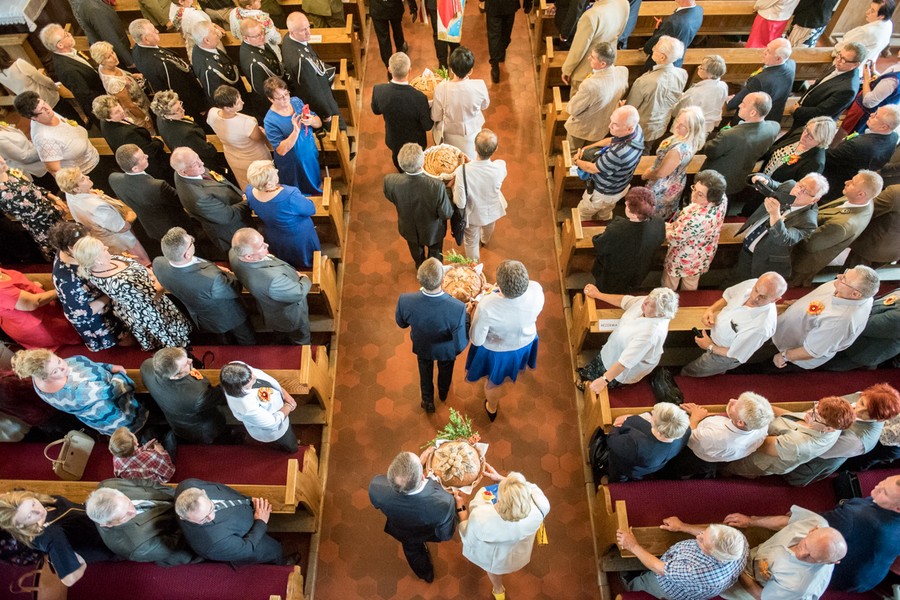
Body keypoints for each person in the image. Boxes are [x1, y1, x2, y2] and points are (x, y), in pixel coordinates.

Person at [72, 235, 193, 352]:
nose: (107, 248)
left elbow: (135, 265)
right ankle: (182, 351)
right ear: (97, 259)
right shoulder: (118, 282)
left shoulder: (99, 263)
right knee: (170, 334)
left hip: (146, 293)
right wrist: (164, 278)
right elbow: (156, 294)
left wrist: (150, 273)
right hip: (149, 310)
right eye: (103, 249)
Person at [465, 260, 544, 421]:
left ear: (501, 285)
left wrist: (482, 304)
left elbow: (477, 340)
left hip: (497, 351)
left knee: (494, 382)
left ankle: (492, 407)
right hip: (526, 341)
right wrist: (495, 290)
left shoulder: (487, 305)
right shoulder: (536, 289)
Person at [457, 468, 550, 600]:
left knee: (494, 571)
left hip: (496, 558)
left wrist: (461, 509)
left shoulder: (481, 515)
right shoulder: (542, 506)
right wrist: (504, 480)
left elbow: (467, 538)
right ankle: (540, 532)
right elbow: (530, 487)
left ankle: (498, 589)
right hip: (519, 549)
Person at [153, 227, 256, 345]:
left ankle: (226, 344)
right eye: (191, 241)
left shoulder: (158, 263)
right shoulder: (212, 280)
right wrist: (228, 274)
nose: (193, 240)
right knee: (245, 337)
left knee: (221, 335)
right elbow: (234, 289)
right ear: (187, 254)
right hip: (228, 314)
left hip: (201, 314)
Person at [11, 348, 148, 436]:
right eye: (55, 371)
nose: (63, 367)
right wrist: (120, 373)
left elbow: (90, 365)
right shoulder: (77, 393)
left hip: (101, 397)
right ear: (43, 377)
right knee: (134, 425)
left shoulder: (39, 378)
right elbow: (114, 390)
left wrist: (109, 367)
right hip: (114, 410)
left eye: (58, 360)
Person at [721, 506, 848, 600]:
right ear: (813, 530)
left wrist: (737, 568)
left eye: (812, 557)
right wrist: (750, 521)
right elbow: (787, 521)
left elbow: (761, 596)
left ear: (832, 562)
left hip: (752, 582)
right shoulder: (817, 522)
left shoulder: (798, 588)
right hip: (756, 553)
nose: (801, 555)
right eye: (805, 546)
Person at [368, 450, 458, 582]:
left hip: (402, 531)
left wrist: (416, 468)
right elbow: (446, 534)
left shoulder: (376, 486)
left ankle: (426, 575)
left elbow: (377, 503)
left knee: (412, 552)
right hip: (428, 532)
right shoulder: (444, 502)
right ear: (423, 477)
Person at [784, 385, 900, 486]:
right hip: (809, 431)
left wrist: (805, 424)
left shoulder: (860, 440)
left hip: (815, 457)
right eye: (862, 403)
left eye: (867, 413)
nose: (858, 410)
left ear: (879, 420)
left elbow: (817, 450)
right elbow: (827, 406)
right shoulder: (860, 396)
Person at [769, 266, 880, 371]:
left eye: (844, 278)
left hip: (786, 346)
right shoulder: (846, 290)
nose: (839, 275)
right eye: (846, 272)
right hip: (784, 323)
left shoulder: (839, 322)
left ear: (855, 294)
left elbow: (811, 351)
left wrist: (784, 356)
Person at [395, 258, 468, 413]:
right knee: (445, 371)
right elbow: (460, 345)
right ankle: (442, 393)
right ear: (443, 280)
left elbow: (402, 324)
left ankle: (427, 401)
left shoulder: (405, 300)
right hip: (446, 350)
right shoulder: (458, 308)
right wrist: (466, 319)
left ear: (419, 279)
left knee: (424, 370)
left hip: (422, 346)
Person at [0, 491, 116, 587]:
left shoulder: (44, 503)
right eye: (30, 515)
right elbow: (69, 579)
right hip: (113, 540)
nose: (38, 511)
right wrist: (81, 564)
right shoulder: (46, 533)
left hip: (102, 516)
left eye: (33, 504)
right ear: (19, 525)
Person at [681, 273, 787, 377]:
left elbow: (736, 354)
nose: (755, 298)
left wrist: (709, 346)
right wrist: (711, 310)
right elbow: (729, 296)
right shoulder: (753, 283)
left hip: (721, 356)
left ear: (776, 299)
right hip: (713, 338)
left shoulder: (762, 327)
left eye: (763, 297)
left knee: (694, 370)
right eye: (756, 290)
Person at [728, 172, 828, 282]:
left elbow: (784, 239)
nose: (798, 191)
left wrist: (775, 214)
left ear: (814, 200)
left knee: (747, 286)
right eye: (800, 185)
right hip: (748, 243)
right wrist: (759, 179)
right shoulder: (790, 186)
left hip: (763, 260)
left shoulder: (808, 222)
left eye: (805, 191)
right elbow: (771, 183)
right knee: (733, 276)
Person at [577, 286, 679, 392]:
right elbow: (625, 301)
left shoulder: (650, 334)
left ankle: (587, 388)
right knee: (598, 364)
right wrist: (598, 294)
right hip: (614, 348)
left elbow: (624, 363)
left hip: (622, 368)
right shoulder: (650, 301)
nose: (644, 302)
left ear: (661, 314)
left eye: (650, 305)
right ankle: (585, 376)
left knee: (596, 384)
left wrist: (603, 380)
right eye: (647, 298)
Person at [724, 396, 855, 478]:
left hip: (760, 457)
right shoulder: (828, 422)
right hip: (771, 435)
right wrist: (763, 408)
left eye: (815, 416)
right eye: (815, 408)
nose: (809, 412)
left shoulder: (799, 444)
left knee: (735, 467)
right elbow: (790, 416)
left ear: (829, 429)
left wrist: (747, 421)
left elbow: (761, 445)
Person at [789, 171, 881, 287]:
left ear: (861, 194)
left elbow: (809, 244)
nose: (846, 182)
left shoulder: (843, 225)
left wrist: (790, 224)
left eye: (852, 183)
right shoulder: (861, 200)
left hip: (799, 262)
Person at [48, 221, 128, 352]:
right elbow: (84, 312)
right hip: (93, 313)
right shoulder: (68, 280)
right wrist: (109, 294)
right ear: (70, 249)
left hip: (99, 298)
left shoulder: (74, 251)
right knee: (122, 339)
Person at [618, 519, 747, 599]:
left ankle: (630, 585)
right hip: (674, 565)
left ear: (717, 558)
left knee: (643, 582)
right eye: (704, 532)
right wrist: (682, 526)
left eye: (703, 542)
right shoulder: (738, 541)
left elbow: (658, 569)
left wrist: (633, 546)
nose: (698, 537)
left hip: (666, 585)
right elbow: (712, 536)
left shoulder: (699, 573)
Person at [229, 228, 313, 345]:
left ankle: (281, 341)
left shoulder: (234, 253)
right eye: (262, 247)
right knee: (300, 337)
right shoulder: (272, 281)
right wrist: (305, 278)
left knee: (280, 332)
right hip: (288, 316)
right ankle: (304, 352)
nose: (267, 245)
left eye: (263, 242)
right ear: (249, 256)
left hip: (269, 308)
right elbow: (298, 292)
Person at [109, 145, 200, 252]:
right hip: (175, 225)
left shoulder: (114, 179)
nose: (147, 156)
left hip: (151, 228)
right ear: (135, 168)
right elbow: (180, 201)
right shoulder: (157, 186)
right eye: (143, 157)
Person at [663, 392, 775, 479]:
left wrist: (696, 417)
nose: (732, 400)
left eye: (735, 406)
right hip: (718, 456)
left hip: (694, 456)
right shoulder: (761, 424)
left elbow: (688, 436)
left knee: (673, 469)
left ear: (740, 422)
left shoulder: (715, 436)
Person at [55, 166, 150, 265]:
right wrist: (131, 216)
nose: (87, 177)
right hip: (120, 242)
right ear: (76, 189)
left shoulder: (70, 193)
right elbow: (122, 227)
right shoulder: (97, 208)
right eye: (82, 179)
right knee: (140, 262)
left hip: (100, 236)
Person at [821, 474, 900, 592]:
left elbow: (816, 523)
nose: (878, 486)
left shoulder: (855, 515)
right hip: (872, 577)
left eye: (885, 493)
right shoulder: (881, 508)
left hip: (840, 577)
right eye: (884, 481)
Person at [85, 479, 195, 565]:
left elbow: (146, 483)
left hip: (170, 500)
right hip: (180, 534)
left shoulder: (108, 485)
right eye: (125, 516)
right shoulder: (137, 547)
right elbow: (175, 543)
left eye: (128, 503)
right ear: (108, 524)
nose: (133, 511)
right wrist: (189, 514)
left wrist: (178, 496)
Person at [174, 479, 284, 564]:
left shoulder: (188, 484)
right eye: (203, 519)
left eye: (211, 508)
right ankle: (282, 563)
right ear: (183, 518)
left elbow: (221, 488)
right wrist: (260, 522)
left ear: (204, 493)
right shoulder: (213, 543)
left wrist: (247, 499)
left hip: (243, 513)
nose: (211, 518)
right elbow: (246, 549)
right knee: (274, 550)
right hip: (245, 539)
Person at [383, 143, 454, 267]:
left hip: (408, 228)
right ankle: (434, 271)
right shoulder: (437, 186)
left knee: (416, 252)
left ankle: (420, 266)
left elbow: (390, 197)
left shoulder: (389, 181)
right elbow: (446, 213)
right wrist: (448, 191)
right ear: (422, 164)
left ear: (401, 164)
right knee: (435, 253)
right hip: (433, 230)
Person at [171, 146, 252, 254]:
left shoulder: (187, 171)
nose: (202, 163)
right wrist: (248, 200)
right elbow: (228, 216)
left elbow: (221, 181)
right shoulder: (198, 198)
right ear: (184, 172)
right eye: (195, 164)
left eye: (198, 158)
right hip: (232, 231)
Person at [140, 347, 230, 444]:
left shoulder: (147, 366)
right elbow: (222, 395)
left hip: (176, 422)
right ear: (175, 375)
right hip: (202, 429)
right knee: (217, 440)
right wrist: (230, 376)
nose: (190, 360)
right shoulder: (198, 395)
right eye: (186, 364)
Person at [246, 159, 320, 270]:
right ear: (269, 183)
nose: (277, 171)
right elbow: (310, 209)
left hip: (274, 234)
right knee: (306, 258)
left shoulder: (250, 190)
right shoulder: (289, 195)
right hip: (297, 236)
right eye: (274, 172)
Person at [573, 105, 644, 221]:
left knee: (583, 213)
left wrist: (576, 160)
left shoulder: (618, 153)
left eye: (615, 124)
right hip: (620, 187)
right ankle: (603, 222)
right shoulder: (637, 130)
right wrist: (589, 147)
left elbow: (591, 168)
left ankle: (583, 233)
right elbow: (613, 141)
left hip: (603, 193)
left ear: (629, 129)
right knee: (606, 211)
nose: (609, 126)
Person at [701, 92, 780, 196]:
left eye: (743, 104)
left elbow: (710, 151)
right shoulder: (774, 127)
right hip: (738, 179)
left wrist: (719, 135)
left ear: (752, 113)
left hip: (716, 180)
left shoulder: (729, 135)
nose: (739, 105)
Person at [129, 19, 208, 123]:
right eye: (153, 30)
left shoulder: (137, 49)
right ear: (146, 39)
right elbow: (182, 88)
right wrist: (200, 106)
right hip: (188, 104)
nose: (157, 31)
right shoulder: (162, 64)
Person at [590, 187, 665, 293]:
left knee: (608, 289)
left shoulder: (617, 229)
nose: (625, 203)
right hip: (641, 269)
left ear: (634, 214)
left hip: (616, 271)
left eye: (627, 204)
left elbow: (600, 246)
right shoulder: (659, 223)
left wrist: (597, 237)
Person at [661, 169, 727, 290]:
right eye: (694, 189)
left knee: (670, 282)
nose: (694, 195)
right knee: (691, 282)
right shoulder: (722, 198)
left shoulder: (697, 219)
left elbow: (674, 238)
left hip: (683, 256)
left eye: (700, 194)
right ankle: (688, 300)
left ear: (712, 198)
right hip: (703, 250)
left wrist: (665, 227)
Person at [13, 92, 102, 181]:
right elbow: (55, 171)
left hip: (94, 156)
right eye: (42, 109)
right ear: (33, 118)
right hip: (86, 173)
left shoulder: (48, 114)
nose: (47, 108)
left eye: (44, 103)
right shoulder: (44, 139)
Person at [821, 106, 899, 201]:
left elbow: (827, 156)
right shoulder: (894, 136)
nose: (871, 114)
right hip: (859, 170)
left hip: (834, 180)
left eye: (876, 116)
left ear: (884, 127)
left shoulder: (859, 144)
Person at [451, 129, 507, 261]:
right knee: (489, 226)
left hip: (473, 214)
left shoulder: (462, 171)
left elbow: (460, 202)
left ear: (474, 147)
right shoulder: (500, 167)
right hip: (492, 210)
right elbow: (484, 172)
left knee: (470, 241)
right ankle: (485, 239)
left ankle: (474, 266)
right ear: (496, 148)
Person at [642, 106, 707, 220]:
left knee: (650, 213)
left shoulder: (678, 150)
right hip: (676, 178)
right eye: (678, 121)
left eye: (682, 125)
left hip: (662, 185)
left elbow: (661, 173)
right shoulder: (689, 138)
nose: (677, 126)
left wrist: (646, 174)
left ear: (692, 128)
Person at [263, 76, 324, 196]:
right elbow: (280, 150)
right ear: (271, 99)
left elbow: (318, 123)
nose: (285, 99)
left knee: (316, 183)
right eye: (280, 97)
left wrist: (312, 121)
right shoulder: (270, 121)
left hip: (309, 153)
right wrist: (295, 132)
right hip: (293, 164)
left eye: (286, 94)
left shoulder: (296, 101)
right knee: (300, 192)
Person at [372, 52, 433, 171]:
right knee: (418, 167)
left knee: (398, 163)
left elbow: (376, 110)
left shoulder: (379, 91)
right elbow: (427, 126)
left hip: (394, 140)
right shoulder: (419, 98)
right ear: (409, 70)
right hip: (416, 143)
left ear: (389, 69)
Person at [219, 361, 298, 452]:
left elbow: (265, 379)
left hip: (278, 402)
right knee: (288, 442)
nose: (255, 377)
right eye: (250, 380)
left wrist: (283, 393)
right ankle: (291, 450)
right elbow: (273, 422)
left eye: (251, 373)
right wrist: (288, 406)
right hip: (274, 427)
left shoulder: (235, 367)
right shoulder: (247, 407)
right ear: (241, 388)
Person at [0, 154, 67, 261]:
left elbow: (33, 187)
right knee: (57, 250)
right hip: (38, 224)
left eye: (1, 158)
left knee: (66, 239)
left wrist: (54, 198)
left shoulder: (10, 172)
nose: (3, 162)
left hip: (51, 211)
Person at [281, 12, 342, 128]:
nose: (308, 32)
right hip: (323, 96)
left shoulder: (289, 39)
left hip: (318, 80)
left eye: (308, 27)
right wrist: (326, 113)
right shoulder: (301, 61)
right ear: (291, 31)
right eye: (303, 30)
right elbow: (313, 91)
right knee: (337, 124)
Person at [787, 42, 865, 132]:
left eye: (844, 59)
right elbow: (818, 84)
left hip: (811, 123)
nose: (838, 60)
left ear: (855, 65)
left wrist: (798, 110)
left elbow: (822, 112)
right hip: (804, 111)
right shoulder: (840, 66)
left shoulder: (847, 89)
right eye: (839, 55)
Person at [206, 86, 272, 192]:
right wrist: (263, 132)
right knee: (265, 184)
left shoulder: (212, 113)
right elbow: (261, 139)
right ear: (227, 108)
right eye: (238, 102)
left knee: (246, 186)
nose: (242, 102)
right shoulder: (247, 122)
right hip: (254, 158)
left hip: (233, 157)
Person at [564, 43, 629, 149]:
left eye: (593, 57)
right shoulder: (623, 71)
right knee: (590, 153)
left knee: (573, 152)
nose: (589, 58)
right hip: (602, 127)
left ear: (603, 64)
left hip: (582, 128)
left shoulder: (590, 85)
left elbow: (573, 109)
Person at [626, 36, 687, 148]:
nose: (653, 48)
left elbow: (631, 107)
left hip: (641, 127)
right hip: (661, 124)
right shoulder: (682, 74)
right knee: (648, 147)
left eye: (656, 47)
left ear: (662, 57)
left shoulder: (644, 81)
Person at [37, 24, 103, 127]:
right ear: (60, 45)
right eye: (65, 35)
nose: (69, 34)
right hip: (100, 105)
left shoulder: (70, 52)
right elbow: (85, 95)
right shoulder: (67, 70)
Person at [93, 95, 171, 183]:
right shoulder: (127, 134)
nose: (122, 111)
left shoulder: (104, 122)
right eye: (116, 112)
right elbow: (149, 150)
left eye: (119, 107)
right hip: (154, 165)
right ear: (108, 118)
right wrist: (158, 141)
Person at [605, 403, 692, 481]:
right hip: (652, 466)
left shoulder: (635, 441)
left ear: (653, 423)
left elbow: (612, 440)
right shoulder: (686, 431)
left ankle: (617, 482)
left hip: (627, 467)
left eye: (653, 415)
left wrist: (615, 427)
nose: (652, 412)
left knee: (618, 475)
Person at [0, 268, 81, 350]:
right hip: (37, 323)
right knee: (76, 337)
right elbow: (32, 303)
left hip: (47, 309)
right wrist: (60, 290)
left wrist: (32, 287)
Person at [432, 47, 491, 159]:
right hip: (473, 133)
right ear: (470, 70)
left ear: (451, 69)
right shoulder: (480, 85)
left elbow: (435, 116)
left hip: (450, 135)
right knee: (471, 160)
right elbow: (485, 105)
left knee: (453, 161)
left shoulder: (440, 89)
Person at [152, 90, 226, 178]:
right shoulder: (187, 134)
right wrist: (209, 143)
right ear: (167, 115)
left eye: (180, 105)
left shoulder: (160, 119)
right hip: (204, 164)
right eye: (177, 110)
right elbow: (208, 151)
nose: (183, 110)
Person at [824, 287, 899, 371]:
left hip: (858, 349)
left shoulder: (898, 317)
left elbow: (862, 326)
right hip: (855, 326)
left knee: (820, 364)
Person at [559, 0, 628, 90]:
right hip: (608, 61)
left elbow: (579, 48)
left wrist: (567, 69)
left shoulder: (590, 16)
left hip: (588, 67)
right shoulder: (623, 3)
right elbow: (620, 32)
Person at [726, 38, 796, 124]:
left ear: (779, 59)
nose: (764, 52)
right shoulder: (791, 64)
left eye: (769, 51)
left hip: (752, 120)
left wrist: (730, 101)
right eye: (766, 48)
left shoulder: (760, 80)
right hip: (774, 114)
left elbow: (736, 102)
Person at [91, 41, 153, 133]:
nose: (114, 57)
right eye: (108, 57)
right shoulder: (114, 83)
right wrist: (146, 119)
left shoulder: (106, 66)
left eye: (112, 52)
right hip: (138, 113)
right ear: (101, 61)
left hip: (140, 100)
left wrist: (132, 76)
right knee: (149, 132)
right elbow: (130, 106)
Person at [758, 116, 834, 187]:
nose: (804, 135)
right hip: (762, 176)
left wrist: (769, 184)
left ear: (821, 141)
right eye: (807, 129)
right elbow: (775, 147)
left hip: (773, 189)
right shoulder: (799, 133)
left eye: (811, 136)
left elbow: (796, 187)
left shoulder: (815, 162)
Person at [238, 18, 285, 123]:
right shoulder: (253, 63)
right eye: (257, 35)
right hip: (271, 101)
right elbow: (263, 90)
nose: (263, 36)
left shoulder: (257, 43)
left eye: (262, 32)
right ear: (246, 38)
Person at [670, 54, 728, 134]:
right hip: (708, 127)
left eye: (701, 68)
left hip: (689, 128)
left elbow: (677, 111)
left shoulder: (695, 93)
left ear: (709, 74)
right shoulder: (723, 86)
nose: (698, 67)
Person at [70, 0, 134, 67]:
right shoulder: (93, 8)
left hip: (109, 51)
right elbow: (110, 36)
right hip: (114, 55)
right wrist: (129, 61)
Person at [191, 21, 242, 106]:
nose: (218, 34)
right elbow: (220, 99)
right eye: (214, 32)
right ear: (206, 40)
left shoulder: (201, 48)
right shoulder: (210, 70)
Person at [842, 60, 900, 134]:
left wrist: (866, 79)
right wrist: (874, 73)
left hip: (863, 112)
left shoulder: (892, 81)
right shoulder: (894, 74)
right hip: (871, 110)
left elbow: (868, 102)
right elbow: (884, 85)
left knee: (846, 132)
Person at [641, 0, 703, 69]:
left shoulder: (673, 23)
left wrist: (658, 30)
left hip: (660, 65)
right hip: (677, 61)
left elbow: (649, 48)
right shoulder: (698, 10)